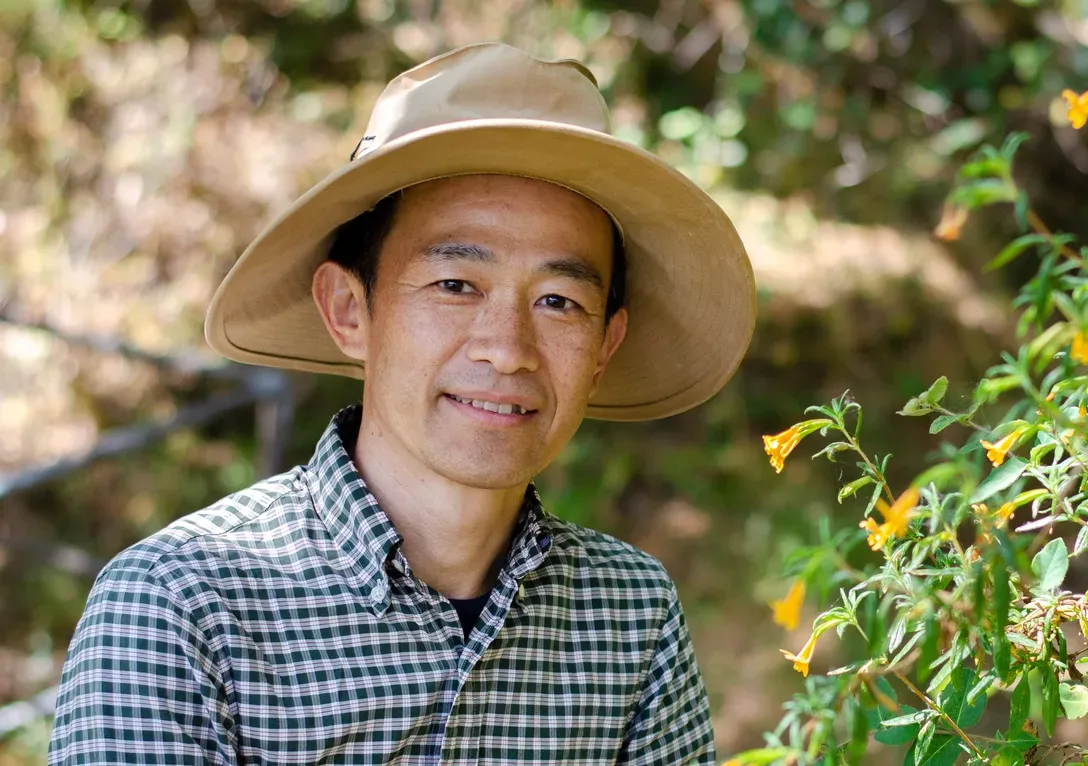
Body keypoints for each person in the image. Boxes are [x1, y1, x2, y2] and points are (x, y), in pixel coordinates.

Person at [46, 42, 754, 765]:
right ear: (351, 310)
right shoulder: (182, 607)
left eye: (559, 300)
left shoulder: (630, 613)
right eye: (455, 285)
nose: (506, 349)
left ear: (605, 346)